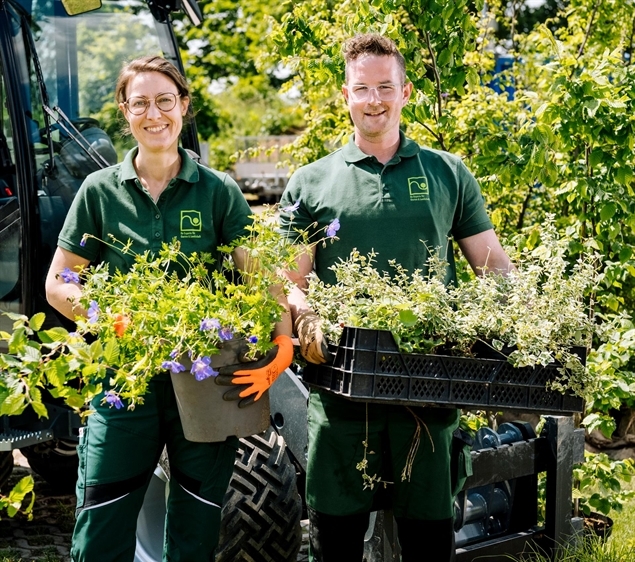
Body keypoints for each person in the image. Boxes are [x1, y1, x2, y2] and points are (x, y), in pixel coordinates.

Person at [45, 55, 292, 562]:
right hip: (125, 379)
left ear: (183, 106)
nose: (153, 114)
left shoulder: (218, 191)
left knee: (197, 526)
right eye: (140, 103)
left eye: (164, 100)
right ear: (125, 110)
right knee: (101, 525)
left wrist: (281, 349)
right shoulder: (99, 192)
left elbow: (261, 280)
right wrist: (107, 315)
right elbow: (58, 282)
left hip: (205, 381)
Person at [279, 33, 514, 562]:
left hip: (428, 386)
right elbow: (290, 280)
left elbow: (493, 267)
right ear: (346, 95)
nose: (374, 100)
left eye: (385, 87)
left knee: (429, 539)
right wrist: (305, 311)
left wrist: (521, 332)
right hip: (343, 386)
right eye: (362, 88)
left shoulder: (447, 172)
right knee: (335, 538)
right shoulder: (311, 182)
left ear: (405, 91)